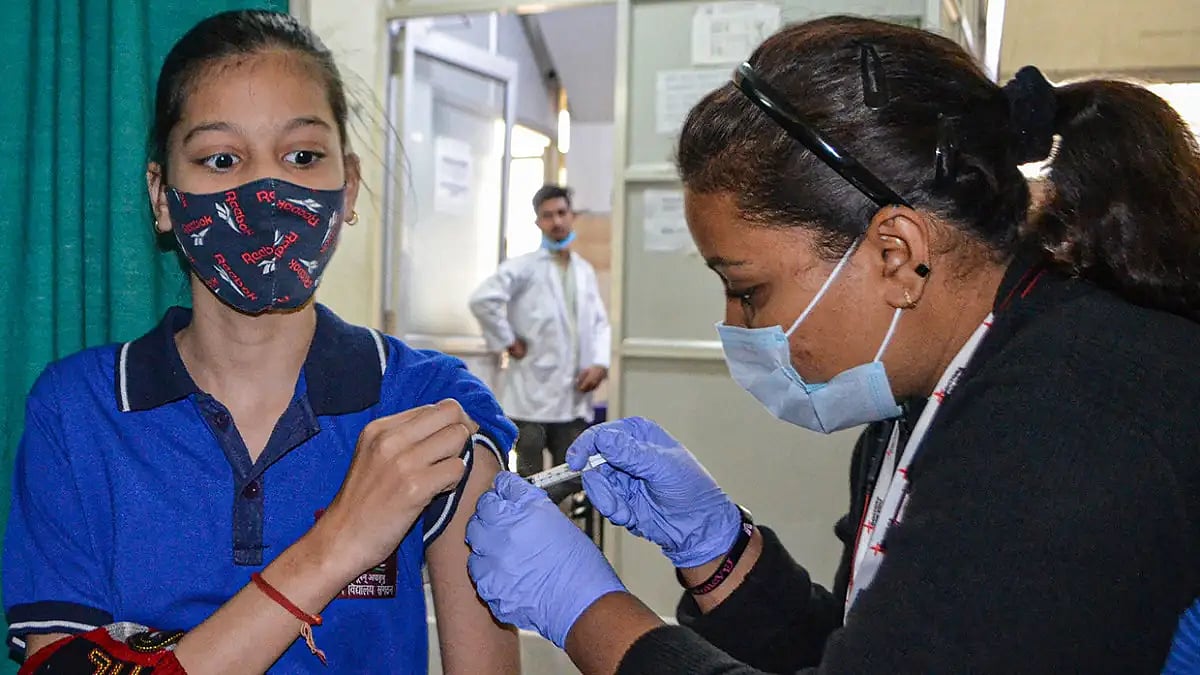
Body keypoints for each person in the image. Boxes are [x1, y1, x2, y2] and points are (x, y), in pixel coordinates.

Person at [463, 15, 1200, 674]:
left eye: (748, 290)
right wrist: (721, 553)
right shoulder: (929, 396)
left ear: (896, 252)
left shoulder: (1071, 417)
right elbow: (867, 647)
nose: (740, 329)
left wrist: (589, 612)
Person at [3, 10, 520, 675]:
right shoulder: (78, 412)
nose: (266, 191)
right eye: (221, 159)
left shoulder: (427, 407)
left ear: (349, 186)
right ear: (162, 195)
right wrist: (334, 543)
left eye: (303, 156)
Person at [469, 184, 611, 502]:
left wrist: (600, 363)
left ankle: (554, 526)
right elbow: (483, 299)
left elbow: (600, 323)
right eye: (548, 216)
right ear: (538, 223)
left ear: (572, 217)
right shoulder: (523, 268)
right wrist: (507, 340)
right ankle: (535, 534)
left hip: (572, 397)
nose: (556, 221)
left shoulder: (584, 271)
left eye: (561, 213)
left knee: (575, 476)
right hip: (530, 400)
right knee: (529, 480)